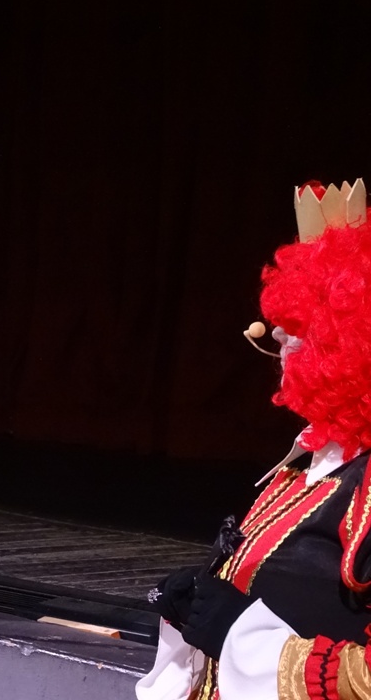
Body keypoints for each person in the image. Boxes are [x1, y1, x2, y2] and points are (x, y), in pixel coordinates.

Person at [137, 179, 371, 700]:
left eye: (299, 335)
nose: (280, 348)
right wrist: (200, 606)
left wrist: (240, 637)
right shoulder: (312, 461)